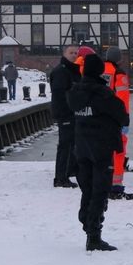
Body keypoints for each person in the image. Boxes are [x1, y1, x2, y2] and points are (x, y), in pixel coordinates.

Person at [67, 53, 129, 251]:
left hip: (81, 146)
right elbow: (122, 116)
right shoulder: (103, 94)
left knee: (87, 188)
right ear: (100, 71)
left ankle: (86, 220)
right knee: (100, 190)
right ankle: (94, 235)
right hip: (101, 147)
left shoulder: (75, 93)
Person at [103, 46, 133, 200]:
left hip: (101, 117)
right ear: (119, 59)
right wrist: (125, 119)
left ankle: (103, 183)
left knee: (103, 152)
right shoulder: (119, 74)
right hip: (116, 118)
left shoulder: (100, 71)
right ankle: (116, 186)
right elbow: (122, 98)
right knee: (119, 152)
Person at [50, 44, 81, 188]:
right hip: (66, 114)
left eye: (76, 53)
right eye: (71, 52)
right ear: (64, 54)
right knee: (65, 145)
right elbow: (60, 95)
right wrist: (66, 111)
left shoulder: (73, 71)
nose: (74, 55)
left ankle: (69, 172)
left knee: (71, 144)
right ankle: (61, 177)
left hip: (73, 113)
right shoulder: (61, 72)